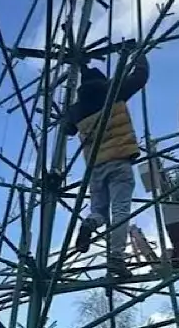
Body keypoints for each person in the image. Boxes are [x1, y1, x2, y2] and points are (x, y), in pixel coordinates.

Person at [63, 45, 150, 281]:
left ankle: (89, 225)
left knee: (98, 210)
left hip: (95, 168)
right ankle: (116, 258)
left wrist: (68, 104)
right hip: (120, 162)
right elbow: (140, 78)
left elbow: (67, 129)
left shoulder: (77, 108)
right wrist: (139, 56)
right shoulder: (112, 90)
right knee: (120, 209)